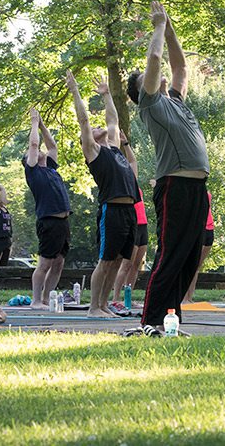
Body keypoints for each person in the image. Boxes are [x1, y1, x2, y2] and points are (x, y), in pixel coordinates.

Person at [126, 2, 211, 332]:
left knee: (189, 257)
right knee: (170, 254)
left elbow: (181, 68)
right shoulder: (151, 104)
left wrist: (170, 26)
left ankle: (170, 322)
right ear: (141, 88)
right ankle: (150, 321)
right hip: (174, 185)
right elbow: (155, 60)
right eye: (146, 78)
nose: (156, 75)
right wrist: (158, 26)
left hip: (197, 187)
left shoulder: (175, 100)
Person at [68, 73, 139, 318]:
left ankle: (105, 305)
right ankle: (93, 308)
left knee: (119, 262)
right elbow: (84, 121)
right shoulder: (94, 152)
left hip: (129, 211)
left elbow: (113, 121)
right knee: (106, 261)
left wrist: (107, 94)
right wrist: (76, 91)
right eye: (95, 129)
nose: (100, 127)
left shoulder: (115, 149)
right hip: (113, 210)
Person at [23, 108, 73, 311]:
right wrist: (34, 122)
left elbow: (52, 145)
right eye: (31, 153)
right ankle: (35, 300)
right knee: (45, 263)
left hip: (63, 221)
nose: (36, 150)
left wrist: (42, 124)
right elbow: (34, 144)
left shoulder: (50, 168)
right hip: (48, 221)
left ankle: (46, 299)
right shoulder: (33, 171)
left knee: (59, 262)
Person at [110, 136, 146, 310]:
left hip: (143, 225)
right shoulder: (121, 183)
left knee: (136, 265)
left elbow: (133, 160)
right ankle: (115, 298)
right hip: (131, 224)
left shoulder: (133, 179)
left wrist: (125, 144)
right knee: (125, 264)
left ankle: (127, 298)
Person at [183, 192, 216, 305]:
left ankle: (189, 298)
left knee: (196, 266)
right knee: (191, 265)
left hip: (209, 229)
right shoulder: (189, 190)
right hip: (197, 229)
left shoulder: (205, 190)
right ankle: (184, 298)